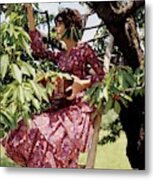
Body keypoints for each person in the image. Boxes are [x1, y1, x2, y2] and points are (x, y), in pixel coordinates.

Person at [2, 8, 105, 168]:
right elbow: (38, 49)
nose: (56, 29)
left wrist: (82, 84)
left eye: (59, 24)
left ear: (69, 27)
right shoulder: (61, 55)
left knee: (44, 132)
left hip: (76, 110)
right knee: (27, 125)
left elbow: (103, 76)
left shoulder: (84, 50)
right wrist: (30, 12)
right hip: (60, 108)